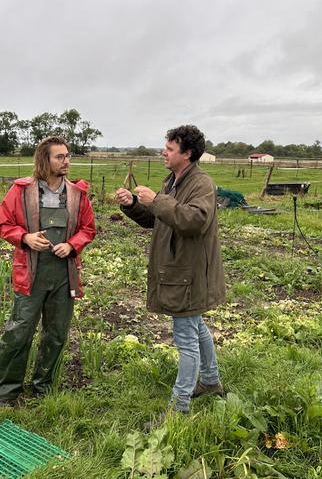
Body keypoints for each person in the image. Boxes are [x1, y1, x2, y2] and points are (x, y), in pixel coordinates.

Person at [116, 125, 225, 425]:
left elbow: (194, 220)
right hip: (178, 272)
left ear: (187, 153)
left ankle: (178, 410)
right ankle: (212, 381)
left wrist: (157, 200)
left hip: (188, 275)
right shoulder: (174, 181)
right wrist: (134, 205)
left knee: (186, 339)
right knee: (196, 326)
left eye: (170, 148)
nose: (164, 151)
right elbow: (158, 219)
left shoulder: (202, 183)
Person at [0, 136, 96, 406]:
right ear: (44, 160)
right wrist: (25, 237)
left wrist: (72, 245)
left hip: (63, 273)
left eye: (68, 156)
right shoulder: (22, 191)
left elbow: (88, 229)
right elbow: (4, 225)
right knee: (19, 331)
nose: (66, 161)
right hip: (31, 272)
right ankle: (5, 391)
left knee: (57, 332)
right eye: (59, 157)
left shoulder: (76, 194)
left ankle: (42, 386)